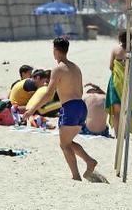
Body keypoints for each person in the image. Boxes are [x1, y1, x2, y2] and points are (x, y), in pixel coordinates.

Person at [23, 37, 102, 182]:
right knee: (68, 142)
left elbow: (48, 94)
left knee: (64, 144)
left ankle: (77, 176)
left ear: (56, 51)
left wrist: (32, 109)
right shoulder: (75, 67)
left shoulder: (58, 69)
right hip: (81, 107)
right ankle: (89, 162)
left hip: (70, 107)